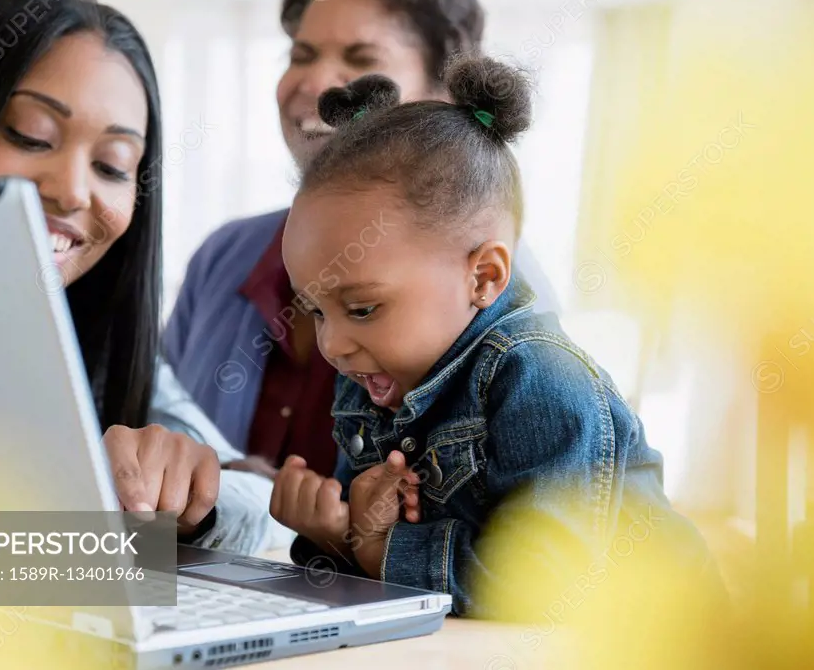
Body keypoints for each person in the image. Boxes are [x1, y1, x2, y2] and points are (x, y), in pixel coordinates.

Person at [267, 58, 723, 617]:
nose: (332, 344)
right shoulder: (373, 379)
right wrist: (334, 531)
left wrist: (378, 547)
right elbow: (375, 563)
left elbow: (546, 581)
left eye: (362, 308)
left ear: (483, 277)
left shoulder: (542, 379)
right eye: (314, 309)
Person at [0, 0, 289, 554]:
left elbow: (270, 508)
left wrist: (191, 499)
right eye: (31, 136)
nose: (73, 191)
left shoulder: (99, 338)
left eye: (112, 165)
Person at [162, 0, 561, 481]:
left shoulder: (513, 316)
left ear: (442, 95)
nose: (316, 82)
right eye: (301, 54)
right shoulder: (223, 257)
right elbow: (163, 425)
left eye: (361, 57)